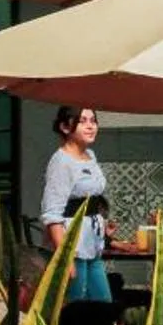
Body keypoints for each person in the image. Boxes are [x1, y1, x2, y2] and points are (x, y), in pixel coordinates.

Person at [39, 105, 111, 303]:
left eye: (93, 120)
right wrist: (65, 258)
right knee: (76, 306)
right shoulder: (61, 162)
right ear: (65, 127)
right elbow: (52, 214)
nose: (90, 126)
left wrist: (102, 225)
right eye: (82, 121)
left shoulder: (91, 156)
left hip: (93, 245)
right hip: (74, 247)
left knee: (103, 303)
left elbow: (91, 197)